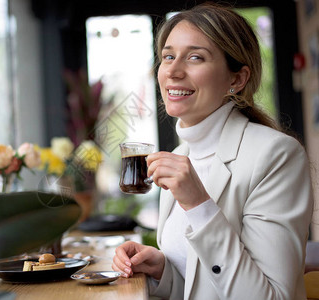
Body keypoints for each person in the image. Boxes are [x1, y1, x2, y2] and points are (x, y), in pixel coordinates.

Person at [112, 3, 314, 300]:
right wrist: (163, 271)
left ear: (237, 79)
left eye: (195, 57)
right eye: (168, 56)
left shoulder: (276, 155)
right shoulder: (182, 156)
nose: (173, 71)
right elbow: (202, 289)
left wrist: (199, 204)